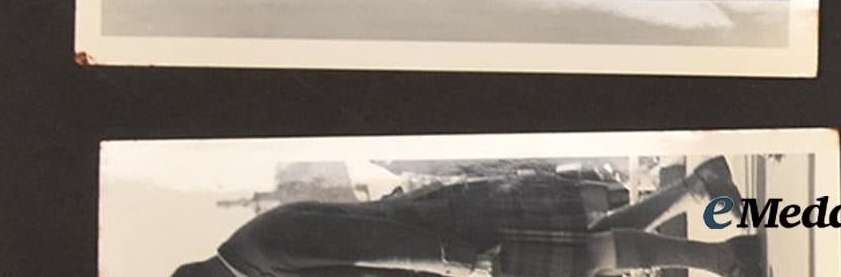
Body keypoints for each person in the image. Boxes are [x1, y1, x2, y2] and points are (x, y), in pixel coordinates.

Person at [170, 157, 763, 277]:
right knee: (588, 247)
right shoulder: (254, 259)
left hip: (450, 240)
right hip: (445, 245)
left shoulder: (265, 245)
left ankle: (728, 259)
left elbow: (371, 241)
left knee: (586, 258)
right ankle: (698, 188)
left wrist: (456, 262)